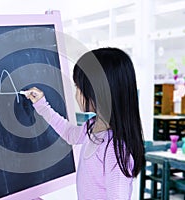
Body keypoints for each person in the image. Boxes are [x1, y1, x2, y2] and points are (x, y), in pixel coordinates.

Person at [24, 47, 144, 199]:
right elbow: (69, 134)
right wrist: (42, 105)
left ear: (98, 92)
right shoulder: (93, 126)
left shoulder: (114, 149)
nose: (76, 94)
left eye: (79, 88)